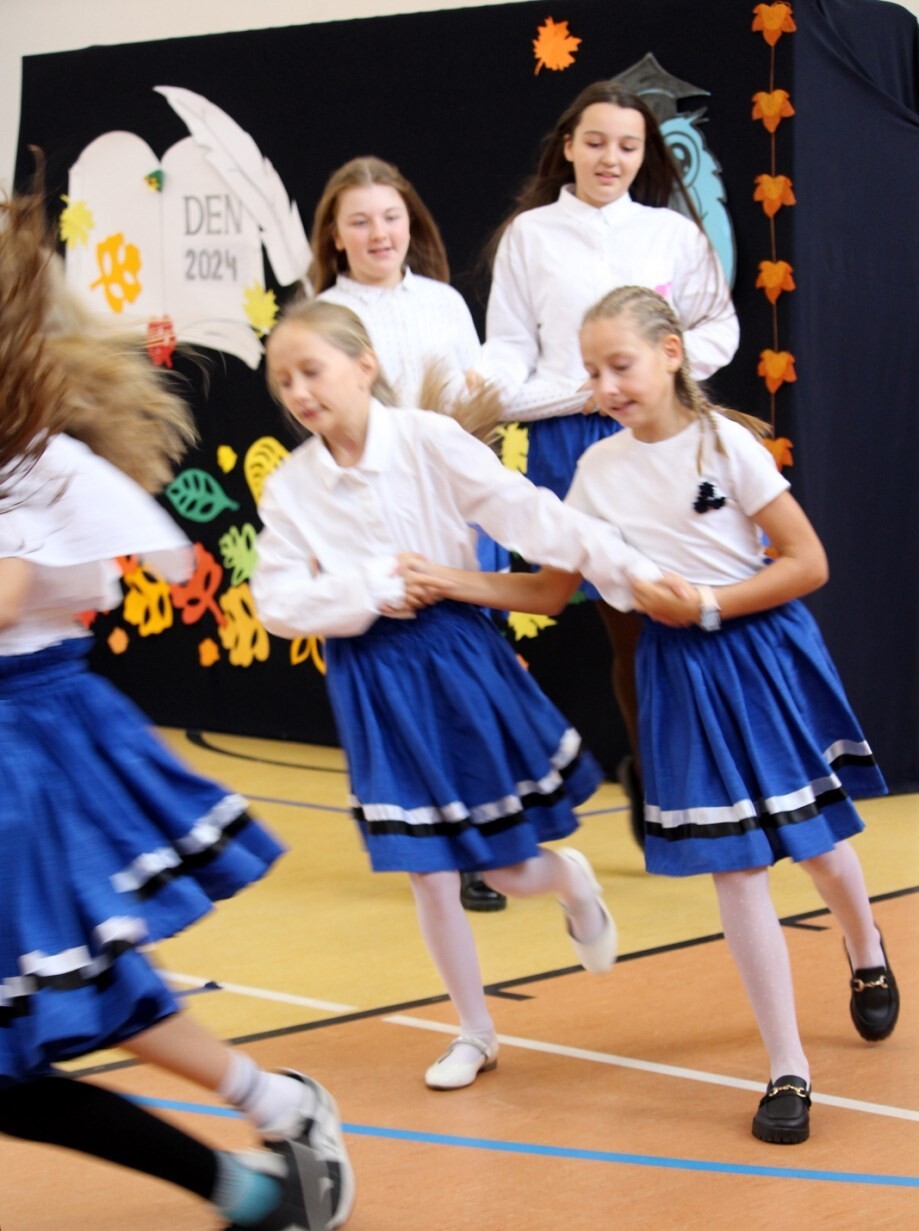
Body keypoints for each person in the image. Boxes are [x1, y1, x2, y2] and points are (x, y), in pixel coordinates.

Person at [401, 285, 897, 1143]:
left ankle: (866, 948)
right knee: (736, 869)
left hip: (757, 654)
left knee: (816, 848)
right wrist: (450, 581)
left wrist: (706, 603)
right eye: (591, 372)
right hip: (677, 677)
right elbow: (549, 591)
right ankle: (786, 1068)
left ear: (671, 354)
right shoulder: (596, 471)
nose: (604, 387)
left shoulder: (725, 444)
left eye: (619, 366)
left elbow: (806, 561)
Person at [0, 189, 351, 1231]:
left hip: (26, 749)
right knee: (53, 999)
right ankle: (268, 1132)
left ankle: (261, 1158)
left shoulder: (33, 464)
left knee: (64, 993)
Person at [250, 298, 667, 1091]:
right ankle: (474, 1030)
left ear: (364, 366)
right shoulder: (293, 487)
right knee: (427, 869)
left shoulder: (426, 440)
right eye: (283, 381)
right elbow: (276, 602)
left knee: (504, 868)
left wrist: (629, 570)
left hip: (453, 660)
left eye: (312, 371)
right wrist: (369, 590)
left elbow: (529, 515)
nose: (299, 392)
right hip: (372, 680)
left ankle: (569, 881)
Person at [478, 81, 739, 847]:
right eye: (594, 142)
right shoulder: (530, 235)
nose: (609, 158)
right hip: (569, 444)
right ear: (567, 146)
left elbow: (716, 328)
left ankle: (677, 780)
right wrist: (480, 401)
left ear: (643, 154)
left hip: (660, 440)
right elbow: (508, 349)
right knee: (622, 623)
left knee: (671, 612)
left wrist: (652, 378)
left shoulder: (671, 234)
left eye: (626, 145)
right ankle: (654, 781)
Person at [309, 154, 504, 913]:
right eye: (359, 220)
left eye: (390, 217)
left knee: (472, 680)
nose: (378, 233)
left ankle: (485, 840)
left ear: (410, 223)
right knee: (408, 683)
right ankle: (438, 841)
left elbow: (473, 404)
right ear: (335, 234)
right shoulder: (322, 315)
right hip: (373, 522)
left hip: (453, 515)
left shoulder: (445, 304)